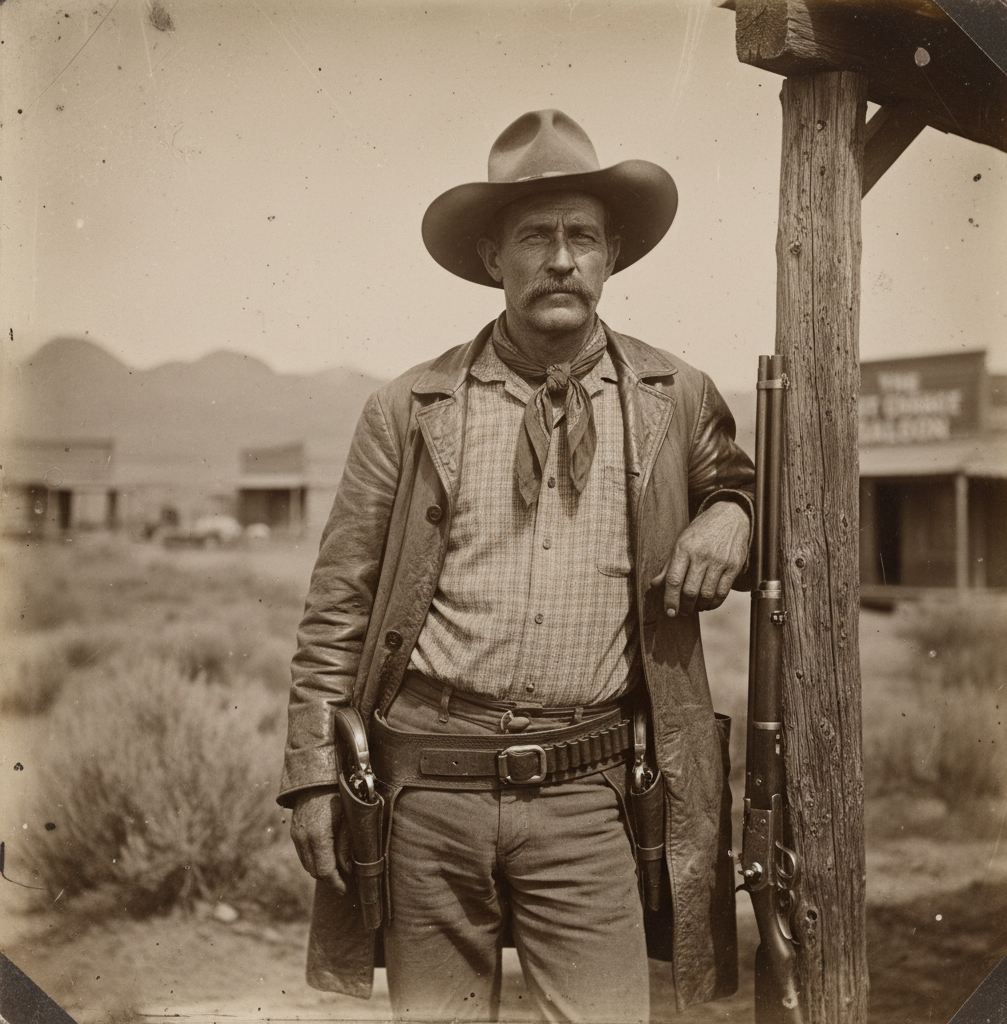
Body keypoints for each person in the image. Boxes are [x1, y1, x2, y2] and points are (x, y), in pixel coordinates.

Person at [279, 109, 754, 1022]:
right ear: (494, 258)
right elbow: (337, 604)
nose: (562, 259)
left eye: (582, 236)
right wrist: (310, 775)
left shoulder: (674, 396)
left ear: (613, 254)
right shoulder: (410, 408)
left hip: (589, 797)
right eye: (536, 236)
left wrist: (729, 515)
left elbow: (746, 491)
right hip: (427, 797)